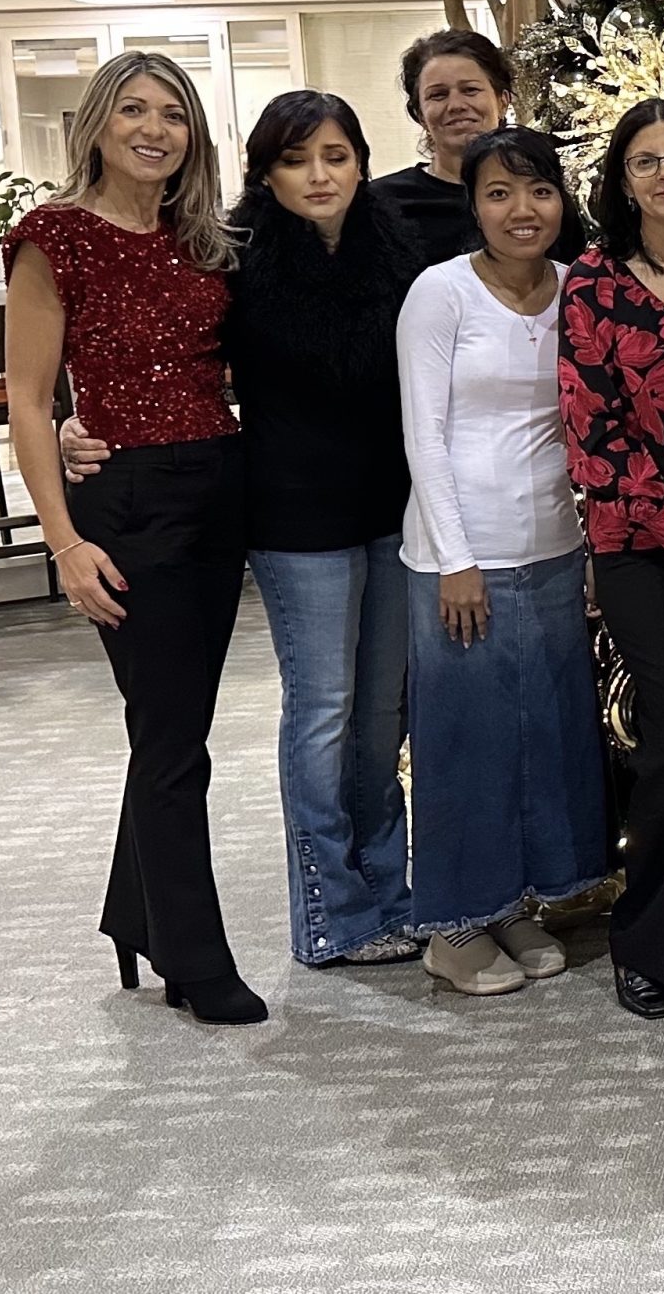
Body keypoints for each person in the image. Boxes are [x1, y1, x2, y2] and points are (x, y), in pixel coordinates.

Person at [62, 90, 428, 971]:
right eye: (299, 159)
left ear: (361, 162)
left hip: (394, 508)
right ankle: (332, 913)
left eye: (336, 155)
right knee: (325, 711)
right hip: (292, 514)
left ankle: (390, 891)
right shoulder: (235, 255)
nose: (320, 174)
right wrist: (75, 421)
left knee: (382, 717)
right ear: (267, 172)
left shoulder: (398, 248)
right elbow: (149, 348)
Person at [1, 53, 263, 1024]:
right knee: (172, 740)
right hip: (127, 502)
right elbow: (29, 403)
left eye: (174, 114)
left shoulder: (206, 242)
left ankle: (133, 910)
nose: (154, 128)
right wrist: (63, 543)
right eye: (133, 110)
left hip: (216, 488)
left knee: (172, 724)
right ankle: (195, 959)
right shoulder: (53, 237)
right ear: (99, 125)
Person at [397, 126, 609, 996]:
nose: (522, 211)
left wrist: (594, 543)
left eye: (539, 192)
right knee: (465, 743)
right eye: (498, 193)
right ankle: (452, 928)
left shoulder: (577, 288)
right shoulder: (439, 294)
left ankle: (512, 904)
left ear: (563, 201)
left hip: (553, 548)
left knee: (542, 735)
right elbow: (425, 432)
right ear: (473, 205)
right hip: (462, 554)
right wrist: (456, 558)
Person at [557, 97, 664, 1020]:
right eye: (645, 161)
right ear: (622, 181)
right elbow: (597, 438)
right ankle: (651, 941)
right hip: (643, 547)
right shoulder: (593, 283)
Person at [374, 27, 577, 264]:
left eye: (470, 90)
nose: (456, 105)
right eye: (438, 95)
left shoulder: (545, 199)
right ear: (419, 114)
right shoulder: (384, 203)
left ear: (503, 101)